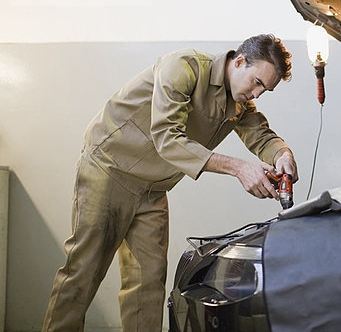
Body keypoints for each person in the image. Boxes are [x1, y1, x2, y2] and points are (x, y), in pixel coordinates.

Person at [42, 34, 298, 331]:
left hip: (153, 190)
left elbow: (262, 135)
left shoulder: (239, 103)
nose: (257, 94)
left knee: (148, 282)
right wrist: (239, 168)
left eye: (265, 89)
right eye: (256, 82)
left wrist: (282, 154)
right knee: (83, 273)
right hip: (110, 170)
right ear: (239, 61)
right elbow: (167, 138)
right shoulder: (184, 67)